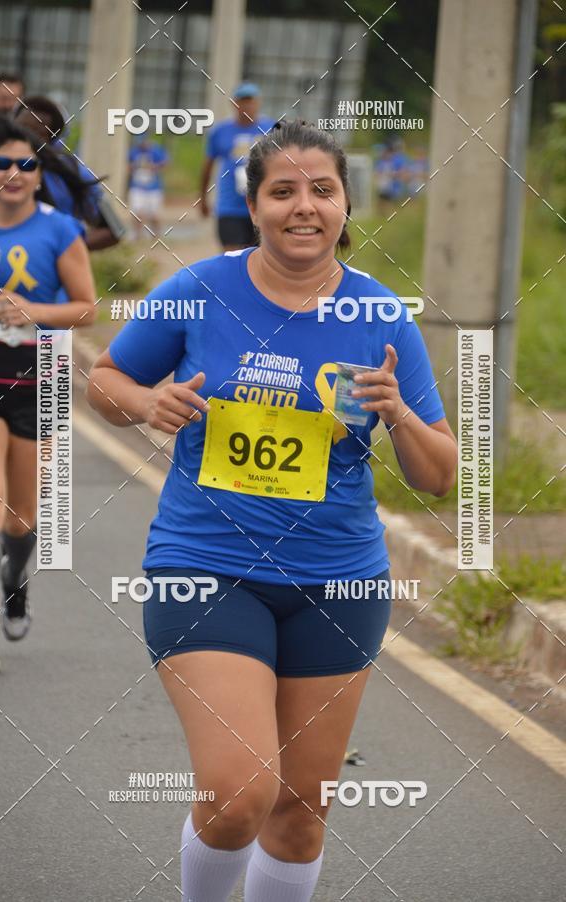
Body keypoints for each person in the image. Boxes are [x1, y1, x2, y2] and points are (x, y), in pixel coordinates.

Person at [87, 120, 457, 901]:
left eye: (322, 190)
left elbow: (440, 476)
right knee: (239, 795)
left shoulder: (381, 316)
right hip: (206, 568)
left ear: (345, 205)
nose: (304, 207)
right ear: (252, 206)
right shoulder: (199, 290)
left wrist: (399, 414)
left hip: (339, 582)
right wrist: (148, 401)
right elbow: (106, 381)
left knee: (299, 811)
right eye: (282, 191)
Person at [0, 118, 96, 675]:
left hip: (39, 380)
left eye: (28, 164)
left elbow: (87, 307)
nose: (14, 174)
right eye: (2, 163)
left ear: (41, 176)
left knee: (21, 517)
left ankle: (15, 581)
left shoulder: (60, 230)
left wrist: (36, 313)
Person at [12, 97, 121, 251]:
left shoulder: (72, 170)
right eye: (19, 128)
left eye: (35, 132)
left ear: (50, 139)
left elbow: (115, 230)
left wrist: (65, 252)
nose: (22, 137)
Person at [199, 82, 275, 251]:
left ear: (258, 103)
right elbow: (207, 167)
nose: (246, 106)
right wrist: (202, 199)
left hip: (262, 206)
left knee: (261, 258)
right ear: (234, 104)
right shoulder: (220, 131)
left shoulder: (271, 129)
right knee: (232, 258)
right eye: (242, 101)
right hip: (229, 207)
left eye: (250, 101)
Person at [128, 133, 169, 239]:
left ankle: (157, 236)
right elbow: (128, 164)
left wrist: (154, 167)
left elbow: (165, 162)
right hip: (138, 186)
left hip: (153, 188)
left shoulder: (155, 150)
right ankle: (138, 235)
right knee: (138, 213)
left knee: (154, 215)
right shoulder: (134, 151)